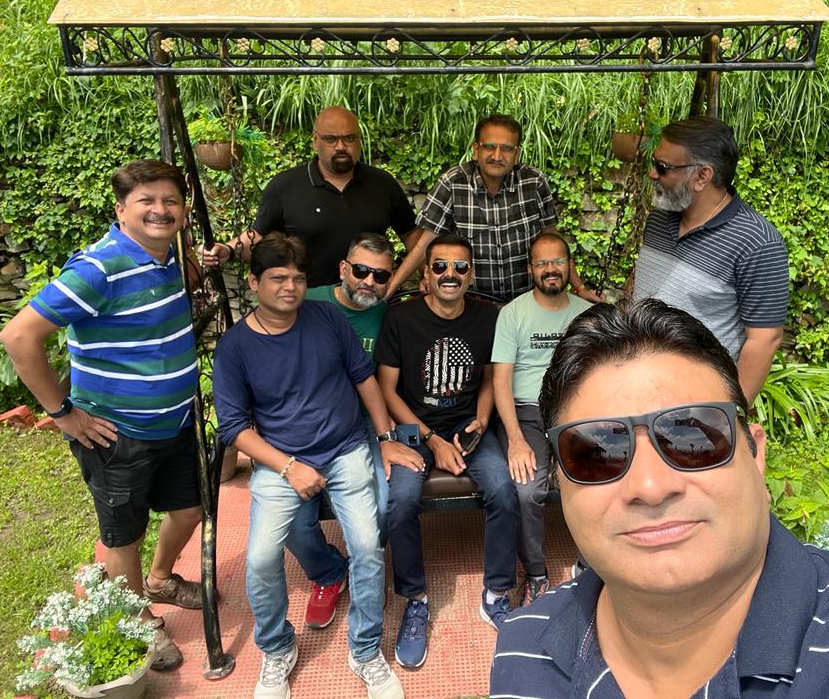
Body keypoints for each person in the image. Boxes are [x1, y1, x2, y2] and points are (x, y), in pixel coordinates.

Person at [491, 299, 829, 699]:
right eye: (597, 452)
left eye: (692, 438)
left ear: (755, 453)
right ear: (559, 479)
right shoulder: (521, 649)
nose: (650, 487)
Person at [0, 160, 203, 671]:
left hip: (174, 424)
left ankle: (161, 580)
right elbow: (18, 337)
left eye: (170, 201)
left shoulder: (168, 257)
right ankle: (141, 624)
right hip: (117, 434)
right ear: (121, 209)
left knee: (189, 511)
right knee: (123, 535)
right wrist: (62, 413)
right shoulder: (98, 268)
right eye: (146, 201)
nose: (161, 210)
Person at [213, 233, 415, 699]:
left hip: (346, 448)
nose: (290, 287)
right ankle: (277, 648)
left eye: (298, 278)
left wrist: (385, 439)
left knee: (367, 547)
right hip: (280, 460)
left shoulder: (326, 318)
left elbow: (363, 378)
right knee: (262, 558)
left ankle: (365, 650)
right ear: (254, 282)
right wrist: (289, 467)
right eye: (277, 278)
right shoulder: (235, 347)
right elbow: (235, 429)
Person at [375, 234, 518, 668]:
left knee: (503, 490)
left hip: (467, 422)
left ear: (471, 274)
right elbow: (387, 390)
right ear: (426, 273)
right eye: (440, 266)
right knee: (400, 501)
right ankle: (415, 600)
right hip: (413, 427)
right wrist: (431, 440)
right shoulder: (401, 319)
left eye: (459, 267)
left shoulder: (487, 317)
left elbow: (491, 378)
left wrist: (481, 419)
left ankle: (496, 592)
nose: (449, 275)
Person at [285, 232, 399, 630]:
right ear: (343, 268)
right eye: (361, 271)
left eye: (380, 276)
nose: (369, 282)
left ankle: (367, 569)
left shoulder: (387, 316)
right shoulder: (307, 301)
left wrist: (387, 436)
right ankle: (329, 572)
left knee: (382, 501)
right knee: (291, 521)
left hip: (364, 422)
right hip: (307, 424)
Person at [632, 116, 788, 403]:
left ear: (702, 176)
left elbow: (764, 339)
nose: (652, 174)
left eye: (663, 167)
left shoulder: (757, 242)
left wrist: (731, 412)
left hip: (697, 400)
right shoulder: (659, 219)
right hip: (639, 383)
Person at [388, 114, 598, 303]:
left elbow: (553, 241)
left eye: (507, 148)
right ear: (476, 150)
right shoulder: (453, 184)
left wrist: (579, 288)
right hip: (472, 306)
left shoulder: (533, 182)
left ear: (517, 154)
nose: (497, 156)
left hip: (527, 303)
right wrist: (389, 291)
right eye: (489, 146)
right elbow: (424, 245)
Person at [201, 106, 419, 288]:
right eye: (331, 139)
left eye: (349, 138)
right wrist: (228, 250)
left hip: (367, 302)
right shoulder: (285, 186)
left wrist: (425, 272)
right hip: (306, 304)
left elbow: (413, 237)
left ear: (359, 140)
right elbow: (258, 236)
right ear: (315, 141)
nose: (341, 146)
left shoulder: (383, 184)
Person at [491, 230, 591, 605]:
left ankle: (591, 564)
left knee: (595, 478)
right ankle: (536, 572)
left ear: (569, 266)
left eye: (558, 261)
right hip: (526, 413)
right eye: (542, 262)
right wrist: (515, 439)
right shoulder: (512, 314)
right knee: (528, 491)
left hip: (574, 413)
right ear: (530, 268)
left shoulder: (585, 314)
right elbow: (501, 380)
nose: (551, 269)